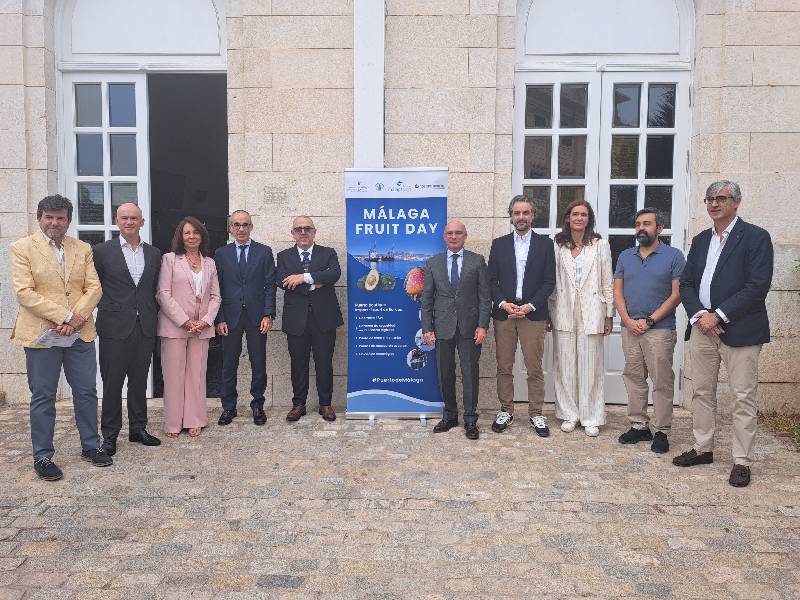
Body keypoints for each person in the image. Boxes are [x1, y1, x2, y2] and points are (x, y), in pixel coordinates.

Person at [673, 180, 773, 488]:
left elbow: (757, 287)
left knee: (742, 396)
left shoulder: (756, 237)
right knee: (701, 392)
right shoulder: (702, 239)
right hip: (703, 328)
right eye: (710, 199)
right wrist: (701, 316)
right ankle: (703, 448)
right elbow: (687, 283)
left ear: (736, 202)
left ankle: (741, 461)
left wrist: (719, 315)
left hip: (740, 329)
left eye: (721, 198)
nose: (714, 204)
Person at [10, 194, 109, 480]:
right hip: (43, 334)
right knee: (43, 396)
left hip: (80, 334)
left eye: (60, 218)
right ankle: (42, 456)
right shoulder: (22, 248)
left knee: (87, 392)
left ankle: (91, 446)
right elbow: (24, 293)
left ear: (68, 220)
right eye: (49, 217)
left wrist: (76, 319)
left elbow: (94, 288)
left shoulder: (83, 248)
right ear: (39, 218)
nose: (54, 222)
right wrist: (64, 317)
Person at [613, 208, 685, 453]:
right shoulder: (625, 256)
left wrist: (650, 321)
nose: (641, 228)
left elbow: (677, 295)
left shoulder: (674, 256)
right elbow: (617, 292)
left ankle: (662, 430)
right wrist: (626, 319)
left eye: (647, 223)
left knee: (662, 381)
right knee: (634, 378)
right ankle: (639, 425)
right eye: (638, 224)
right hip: (630, 328)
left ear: (660, 228)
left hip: (659, 330)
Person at [93, 203, 162, 456]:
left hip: (144, 326)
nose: (129, 222)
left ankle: (138, 429)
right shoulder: (101, 251)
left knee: (139, 381)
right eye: (124, 218)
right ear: (117, 221)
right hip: (114, 327)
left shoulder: (154, 253)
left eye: (134, 218)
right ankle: (110, 435)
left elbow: (154, 289)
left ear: (142, 222)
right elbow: (92, 286)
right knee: (112, 383)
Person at [488, 195, 556, 437]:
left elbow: (549, 282)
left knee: (534, 367)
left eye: (525, 213)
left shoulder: (546, 245)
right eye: (517, 213)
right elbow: (491, 280)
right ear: (511, 216)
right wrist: (504, 303)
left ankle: (536, 413)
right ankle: (506, 410)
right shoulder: (499, 244)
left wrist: (530, 306)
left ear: (532, 216)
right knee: (504, 366)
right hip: (504, 314)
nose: (521, 217)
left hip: (532, 315)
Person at [548, 199, 613, 437]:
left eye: (583, 214)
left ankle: (591, 417)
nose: (579, 218)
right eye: (575, 214)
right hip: (563, 309)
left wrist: (609, 314)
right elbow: (551, 280)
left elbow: (608, 280)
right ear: (567, 218)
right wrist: (548, 312)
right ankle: (569, 414)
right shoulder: (558, 244)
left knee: (591, 366)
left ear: (589, 219)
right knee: (564, 365)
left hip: (593, 310)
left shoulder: (599, 244)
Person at [421, 220, 491, 440]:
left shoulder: (477, 261)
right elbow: (427, 299)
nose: (453, 236)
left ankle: (470, 419)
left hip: (470, 328)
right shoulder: (433, 263)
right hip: (442, 327)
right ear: (444, 236)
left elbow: (485, 298)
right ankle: (450, 416)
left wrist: (482, 325)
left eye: (458, 233)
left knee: (470, 374)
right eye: (449, 233)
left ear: (465, 236)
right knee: (445, 373)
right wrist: (427, 328)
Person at [156, 217, 221, 438]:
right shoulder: (170, 259)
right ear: (180, 237)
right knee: (174, 376)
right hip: (176, 327)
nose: (192, 236)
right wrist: (184, 321)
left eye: (196, 232)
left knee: (197, 375)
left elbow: (215, 296)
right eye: (187, 233)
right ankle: (174, 422)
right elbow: (162, 294)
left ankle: (195, 419)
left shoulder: (210, 263)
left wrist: (205, 320)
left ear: (202, 235)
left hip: (201, 329)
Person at [277, 216, 343, 422]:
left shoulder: (328, 253)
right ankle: (299, 404)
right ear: (293, 233)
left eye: (307, 228)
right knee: (298, 363)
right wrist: (317, 281)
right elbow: (282, 281)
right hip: (296, 319)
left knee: (325, 362)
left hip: (324, 318)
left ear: (314, 232)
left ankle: (325, 404)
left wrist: (303, 278)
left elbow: (334, 274)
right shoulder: (284, 256)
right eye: (299, 229)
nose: (303, 232)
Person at [214, 210, 276, 427]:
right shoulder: (221, 254)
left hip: (257, 316)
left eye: (245, 225)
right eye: (236, 225)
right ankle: (228, 407)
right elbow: (217, 288)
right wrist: (219, 318)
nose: (241, 229)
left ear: (251, 227)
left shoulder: (264, 252)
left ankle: (257, 405)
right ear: (230, 228)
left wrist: (268, 314)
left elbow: (270, 286)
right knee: (228, 364)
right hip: (229, 318)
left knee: (258, 362)